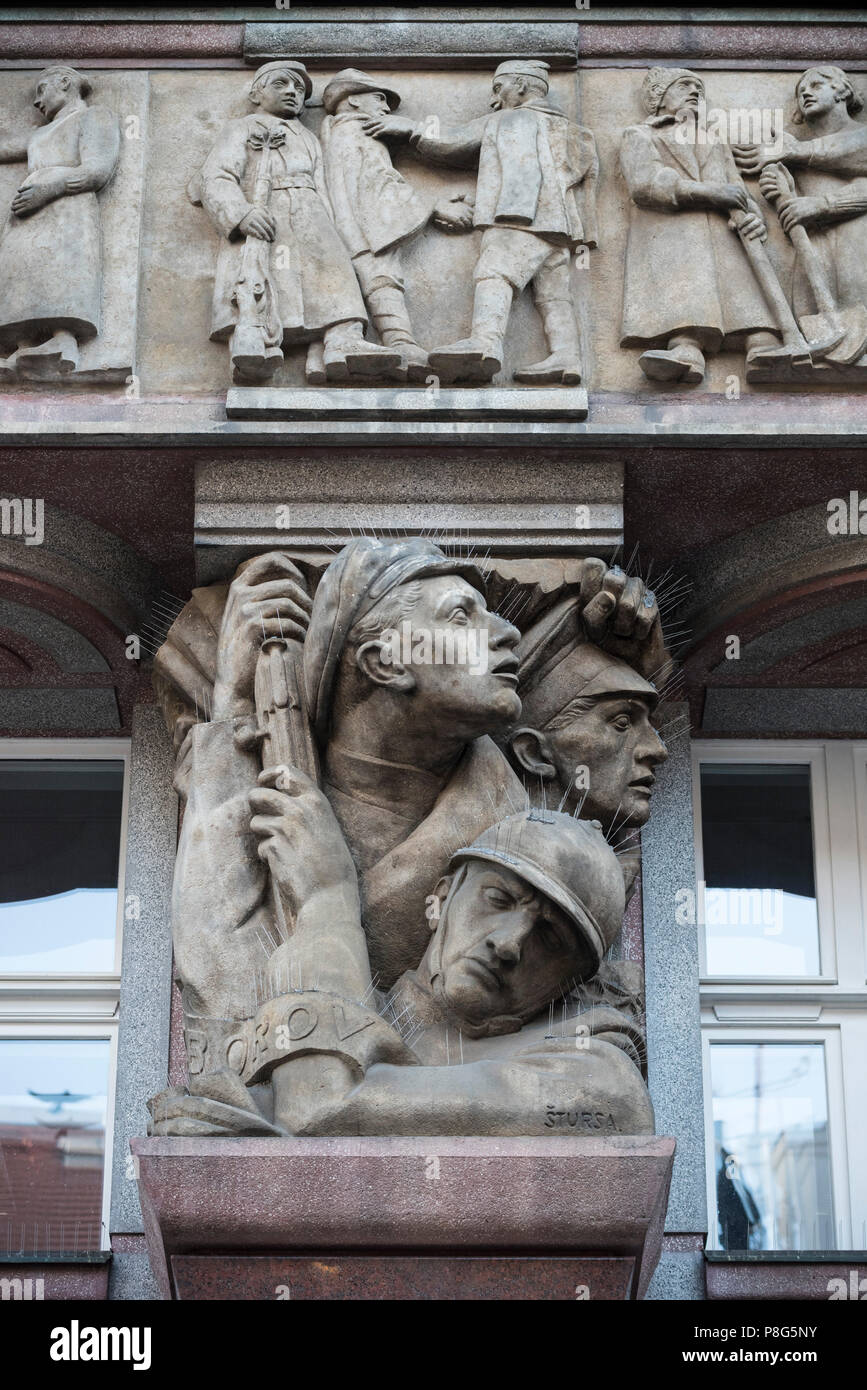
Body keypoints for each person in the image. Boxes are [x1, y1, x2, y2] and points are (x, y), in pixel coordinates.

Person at [361, 58, 598, 384]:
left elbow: (455, 141)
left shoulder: (509, 119)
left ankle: (486, 344)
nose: (494, 98)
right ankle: (567, 356)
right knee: (552, 290)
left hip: (518, 216)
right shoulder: (568, 128)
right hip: (558, 224)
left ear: (522, 85)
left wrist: (409, 129)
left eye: (499, 88)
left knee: (494, 272)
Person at [193, 60, 398, 383]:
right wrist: (241, 213)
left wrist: (338, 227)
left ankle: (339, 342)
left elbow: (326, 183)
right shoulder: (242, 128)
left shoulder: (309, 137)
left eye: (300, 89)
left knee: (334, 273)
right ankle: (257, 344)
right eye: (281, 84)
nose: (292, 91)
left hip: (313, 214)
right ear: (256, 92)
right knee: (265, 284)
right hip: (267, 216)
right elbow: (216, 177)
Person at [619, 67, 788, 384]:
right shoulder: (641, 135)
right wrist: (710, 192)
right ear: (659, 97)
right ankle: (686, 349)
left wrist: (754, 216)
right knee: (687, 291)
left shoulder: (714, 141)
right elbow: (645, 185)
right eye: (684, 86)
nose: (695, 91)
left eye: (699, 87)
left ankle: (762, 345)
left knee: (743, 291)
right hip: (675, 232)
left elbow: (736, 186)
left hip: (725, 233)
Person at [320, 68, 475, 382]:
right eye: (378, 98)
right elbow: (377, 181)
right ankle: (398, 344)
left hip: (355, 223)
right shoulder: (354, 132)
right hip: (364, 226)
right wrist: (433, 206)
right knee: (381, 278)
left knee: (378, 279)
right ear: (352, 102)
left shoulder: (342, 130)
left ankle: (396, 345)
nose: (386, 108)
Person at [0, 65, 119, 380]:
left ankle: (64, 340)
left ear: (65, 82)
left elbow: (98, 169)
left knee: (60, 271)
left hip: (66, 208)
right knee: (24, 274)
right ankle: (23, 346)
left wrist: (51, 189)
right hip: (27, 212)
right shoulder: (39, 134)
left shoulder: (95, 117)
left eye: (41, 89)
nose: (36, 101)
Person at [734, 66, 867, 332]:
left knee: (857, 300)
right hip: (811, 241)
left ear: (842, 91)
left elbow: (854, 153)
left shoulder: (858, 136)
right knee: (810, 312)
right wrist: (780, 186)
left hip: (856, 237)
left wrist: (821, 204)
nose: (806, 92)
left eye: (817, 85)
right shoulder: (789, 148)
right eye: (800, 91)